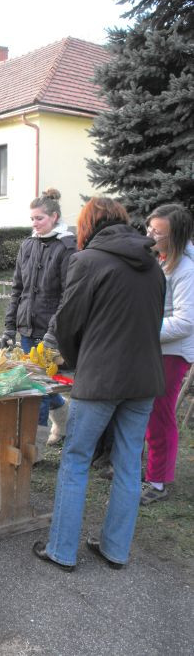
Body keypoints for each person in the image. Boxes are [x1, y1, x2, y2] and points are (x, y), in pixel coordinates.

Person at [32, 197, 165, 571]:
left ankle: (61, 549)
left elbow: (69, 323)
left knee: (75, 460)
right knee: (127, 465)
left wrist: (74, 361)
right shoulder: (153, 265)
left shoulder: (87, 261)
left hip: (102, 378)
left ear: (89, 225)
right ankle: (114, 549)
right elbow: (153, 321)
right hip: (144, 379)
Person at [1, 188, 76, 445]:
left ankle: (33, 447)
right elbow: (17, 289)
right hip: (26, 328)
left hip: (49, 331)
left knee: (38, 390)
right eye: (32, 218)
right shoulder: (28, 245)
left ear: (54, 217)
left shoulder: (67, 247)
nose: (35, 223)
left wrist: (53, 332)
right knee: (36, 384)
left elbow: (69, 295)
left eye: (39, 218)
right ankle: (65, 420)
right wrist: (10, 326)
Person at [141, 204, 194, 505]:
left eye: (157, 233)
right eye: (149, 228)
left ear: (175, 237)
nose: (150, 236)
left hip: (172, 353)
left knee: (160, 415)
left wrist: (143, 327)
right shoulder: (162, 259)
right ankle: (147, 469)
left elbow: (185, 323)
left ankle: (158, 481)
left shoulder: (186, 269)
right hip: (155, 346)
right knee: (145, 412)